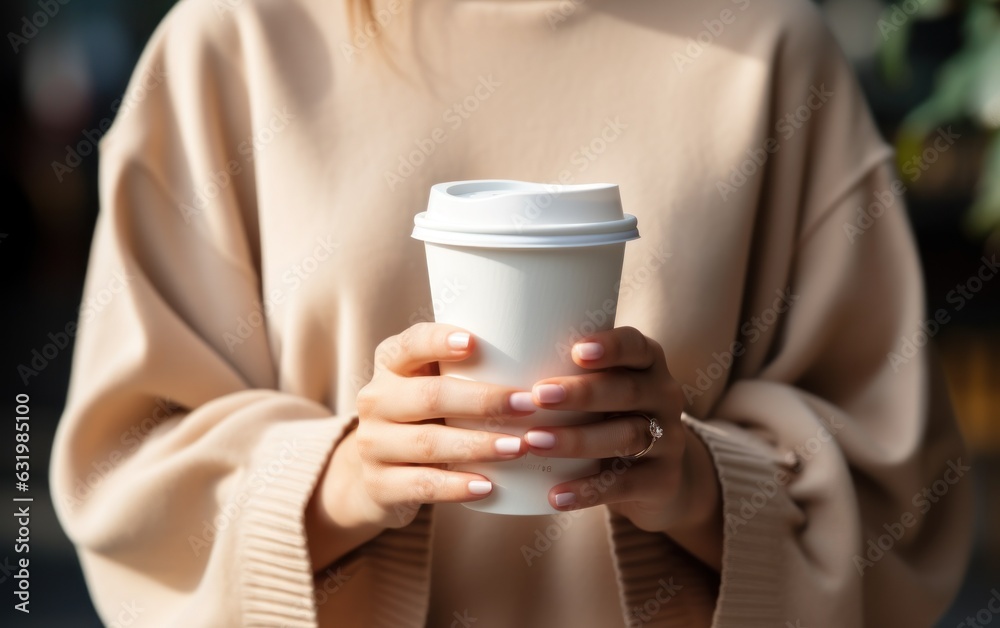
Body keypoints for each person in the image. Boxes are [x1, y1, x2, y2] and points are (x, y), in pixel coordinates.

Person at [51, 0, 974, 626]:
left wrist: (702, 484)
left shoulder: (769, 45)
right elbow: (124, 471)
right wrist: (338, 481)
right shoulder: (234, 39)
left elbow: (904, 499)